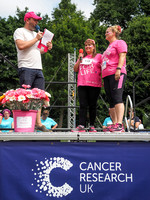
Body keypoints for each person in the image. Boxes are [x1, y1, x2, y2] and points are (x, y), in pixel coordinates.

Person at [13, 11, 52, 132]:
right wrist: (36, 39)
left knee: (39, 96)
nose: (36, 22)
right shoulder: (20, 31)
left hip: (38, 68)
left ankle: (38, 123)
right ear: (27, 20)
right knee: (26, 96)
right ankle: (26, 123)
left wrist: (47, 48)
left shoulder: (36, 34)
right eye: (34, 20)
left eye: (37, 20)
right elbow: (21, 46)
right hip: (26, 67)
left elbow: (37, 51)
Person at [72, 39, 102, 132]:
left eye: (90, 45)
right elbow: (75, 69)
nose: (88, 47)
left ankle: (92, 125)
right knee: (82, 105)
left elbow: (103, 67)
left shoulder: (99, 56)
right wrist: (79, 59)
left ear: (94, 47)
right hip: (82, 83)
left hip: (94, 84)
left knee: (92, 105)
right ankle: (81, 125)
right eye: (86, 45)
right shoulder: (82, 57)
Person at [101, 25, 127, 132]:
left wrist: (119, 69)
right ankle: (114, 123)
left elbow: (122, 55)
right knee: (111, 100)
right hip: (107, 75)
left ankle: (120, 124)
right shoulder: (108, 47)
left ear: (114, 33)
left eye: (108, 32)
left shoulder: (120, 42)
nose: (106, 33)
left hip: (117, 72)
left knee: (117, 97)